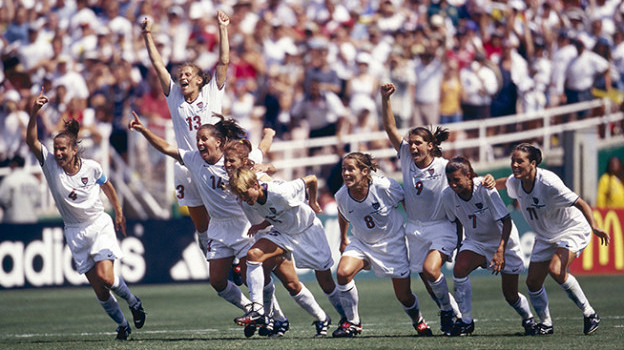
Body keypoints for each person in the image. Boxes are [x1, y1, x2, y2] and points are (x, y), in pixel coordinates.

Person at [128, 112, 288, 337]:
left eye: (205, 139)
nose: (200, 142)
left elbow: (262, 149)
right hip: (218, 228)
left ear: (219, 142)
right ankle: (251, 310)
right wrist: (144, 131)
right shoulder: (194, 159)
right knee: (217, 282)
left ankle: (275, 319)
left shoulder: (235, 160)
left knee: (256, 278)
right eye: (198, 139)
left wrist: (269, 134)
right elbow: (166, 148)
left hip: (242, 226)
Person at [25, 89, 145, 340]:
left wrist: (119, 211)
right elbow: (32, 142)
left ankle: (134, 301)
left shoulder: (91, 167)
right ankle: (123, 325)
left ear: (74, 149)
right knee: (99, 290)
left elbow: (107, 186)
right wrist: (34, 111)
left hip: (98, 224)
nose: (58, 153)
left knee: (107, 277)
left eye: (62, 149)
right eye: (56, 149)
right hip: (74, 230)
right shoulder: (49, 165)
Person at [489, 143, 610, 335]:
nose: (515, 164)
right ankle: (546, 324)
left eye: (520, 161)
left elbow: (581, 203)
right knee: (533, 283)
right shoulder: (516, 181)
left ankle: (589, 313)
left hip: (571, 229)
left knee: (556, 269)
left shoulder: (549, 183)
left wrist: (594, 226)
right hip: (546, 235)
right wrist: (486, 182)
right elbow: (504, 182)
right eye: (513, 160)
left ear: (533, 163)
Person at [140, 11, 230, 250]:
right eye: (180, 75)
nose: (183, 77)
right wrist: (147, 34)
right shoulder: (174, 97)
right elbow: (158, 64)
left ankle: (239, 260)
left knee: (228, 216)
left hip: (215, 164)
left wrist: (222, 28)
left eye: (188, 74)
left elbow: (223, 62)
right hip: (187, 165)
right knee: (201, 228)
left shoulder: (212, 92)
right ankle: (214, 263)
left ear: (200, 80)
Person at [380, 83, 461, 334]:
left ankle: (448, 312)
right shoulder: (405, 156)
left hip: (441, 226)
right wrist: (386, 99)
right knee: (427, 277)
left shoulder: (444, 166)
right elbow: (390, 128)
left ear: (430, 145)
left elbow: (469, 181)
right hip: (414, 228)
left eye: (418, 143)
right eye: (411, 143)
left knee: (430, 269)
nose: (412, 147)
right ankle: (454, 315)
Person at [228, 167, 345, 338]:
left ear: (255, 184)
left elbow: (311, 179)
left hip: (308, 231)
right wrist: (261, 225)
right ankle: (259, 311)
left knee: (326, 282)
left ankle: (347, 318)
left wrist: (312, 202)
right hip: (283, 233)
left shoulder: (281, 191)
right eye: (240, 196)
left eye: (245, 194)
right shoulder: (250, 199)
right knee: (253, 255)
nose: (244, 199)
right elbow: (274, 211)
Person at [332, 152, 433, 337]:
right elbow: (342, 212)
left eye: (350, 169)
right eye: (343, 169)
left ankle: (418, 321)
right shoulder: (341, 195)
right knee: (342, 273)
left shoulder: (384, 186)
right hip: (362, 243)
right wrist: (344, 238)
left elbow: (406, 201)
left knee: (404, 296)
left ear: (364, 171)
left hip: (392, 244)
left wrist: (418, 227)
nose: (346, 173)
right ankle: (353, 323)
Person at [441, 156, 536, 336]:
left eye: (457, 180)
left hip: (503, 241)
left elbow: (506, 221)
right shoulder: (447, 195)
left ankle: (528, 318)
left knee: (510, 295)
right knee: (459, 269)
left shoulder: (484, 189)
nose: (453, 185)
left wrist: (500, 250)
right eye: (449, 180)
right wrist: (459, 245)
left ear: (468, 176)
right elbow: (457, 222)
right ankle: (466, 321)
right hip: (476, 242)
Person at [0, 156, 41, 223]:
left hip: (13, 221)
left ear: (14, 164)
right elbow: (37, 201)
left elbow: (2, 199)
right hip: (31, 219)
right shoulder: (33, 181)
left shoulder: (8, 180)